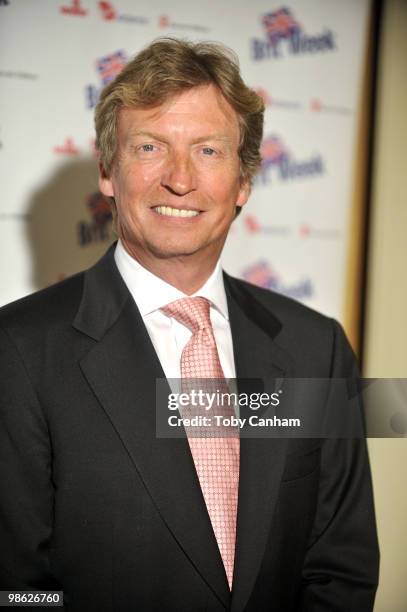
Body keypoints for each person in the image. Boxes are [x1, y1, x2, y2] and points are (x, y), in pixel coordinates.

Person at [0, 38, 379, 611]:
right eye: (150, 147)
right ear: (108, 171)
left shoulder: (316, 347)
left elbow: (341, 569)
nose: (180, 180)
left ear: (244, 182)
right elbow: (17, 590)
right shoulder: (19, 351)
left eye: (208, 151)